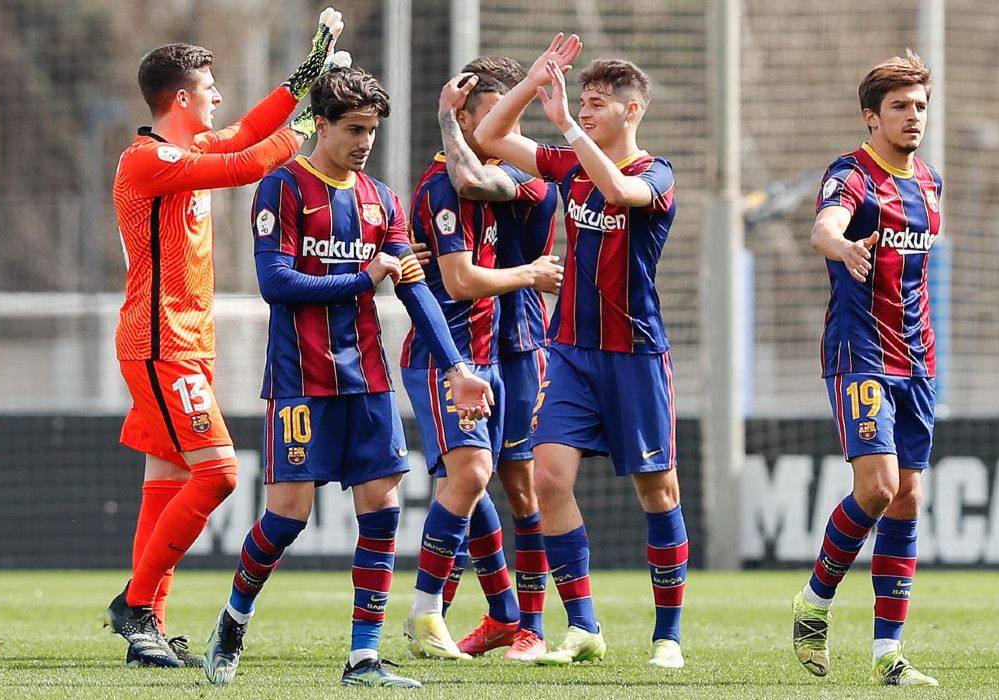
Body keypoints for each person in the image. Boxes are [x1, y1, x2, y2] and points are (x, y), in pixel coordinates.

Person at [201, 65, 493, 689]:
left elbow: (416, 293)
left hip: (369, 382)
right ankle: (232, 619)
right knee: (285, 519)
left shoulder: (381, 200)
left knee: (383, 513)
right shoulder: (281, 188)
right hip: (300, 383)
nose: (364, 142)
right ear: (323, 124)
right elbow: (276, 284)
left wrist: (458, 368)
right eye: (354, 129)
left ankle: (362, 657)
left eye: (372, 131)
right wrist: (366, 277)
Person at [105, 7, 344, 668]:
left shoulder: (185, 148)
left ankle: (147, 624)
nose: (218, 96)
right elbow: (252, 162)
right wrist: (315, 123)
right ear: (180, 98)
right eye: (209, 86)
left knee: (168, 483)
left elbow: (248, 129)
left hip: (182, 344)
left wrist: (310, 70)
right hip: (161, 345)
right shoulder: (146, 160)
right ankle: (134, 606)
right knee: (217, 474)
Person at [474, 35, 688, 669]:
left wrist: (567, 124)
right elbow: (489, 134)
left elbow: (620, 193)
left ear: (631, 111)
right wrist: (532, 82)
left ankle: (667, 635)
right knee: (547, 479)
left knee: (659, 492)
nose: (586, 108)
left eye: (599, 102)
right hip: (569, 353)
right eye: (583, 100)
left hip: (636, 356)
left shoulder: (657, 174)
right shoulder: (568, 164)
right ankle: (585, 625)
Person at [399, 67, 563, 662]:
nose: (505, 128)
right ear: (466, 119)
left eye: (513, 118)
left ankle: (524, 621)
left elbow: (472, 177)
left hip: (516, 344)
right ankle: (449, 612)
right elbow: (459, 273)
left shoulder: (527, 176)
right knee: (471, 477)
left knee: (513, 481)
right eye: (492, 115)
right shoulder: (443, 184)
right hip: (458, 349)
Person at [792, 49, 942, 687]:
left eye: (920, 107)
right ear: (871, 116)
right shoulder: (851, 174)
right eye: (901, 107)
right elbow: (823, 228)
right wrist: (844, 244)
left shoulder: (930, 182)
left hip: (919, 356)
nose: (914, 117)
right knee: (877, 489)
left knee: (907, 500)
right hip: (861, 354)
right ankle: (814, 602)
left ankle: (888, 655)